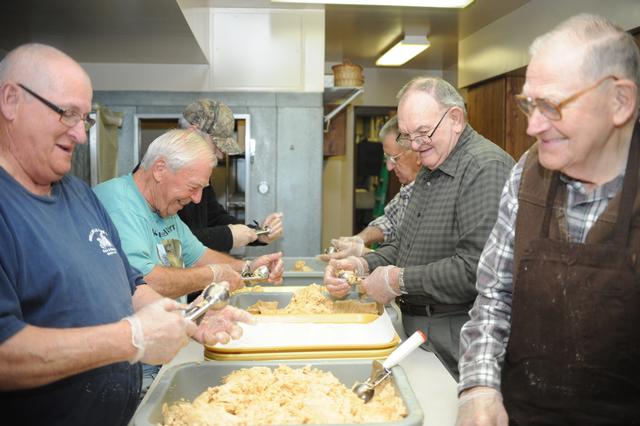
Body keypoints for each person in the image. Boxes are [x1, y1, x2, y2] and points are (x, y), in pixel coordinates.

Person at [0, 43, 252, 426]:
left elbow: (130, 285)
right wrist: (131, 339)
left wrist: (190, 320)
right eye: (67, 113)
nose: (80, 135)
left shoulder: (79, 195)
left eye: (84, 119)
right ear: (11, 99)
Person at [456, 14, 640, 425]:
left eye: (551, 106)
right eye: (528, 104)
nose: (532, 126)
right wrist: (479, 387)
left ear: (620, 102)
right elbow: (494, 298)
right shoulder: (527, 174)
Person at [324, 76, 515, 380]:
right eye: (407, 135)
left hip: (456, 333)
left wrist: (397, 280)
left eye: (423, 133)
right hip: (421, 327)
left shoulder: (484, 168)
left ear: (455, 119)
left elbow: (475, 271)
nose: (414, 145)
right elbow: (405, 246)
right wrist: (361, 264)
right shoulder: (431, 168)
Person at [176, 99, 283, 253]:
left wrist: (258, 233)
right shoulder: (164, 178)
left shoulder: (199, 174)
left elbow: (215, 218)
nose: (220, 155)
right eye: (216, 145)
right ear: (192, 134)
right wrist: (228, 235)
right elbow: (173, 241)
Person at [319, 115, 420, 260]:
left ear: (418, 153)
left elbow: (413, 260)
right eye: (387, 158)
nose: (389, 167)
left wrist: (365, 254)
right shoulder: (408, 188)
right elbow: (389, 221)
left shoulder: (435, 192)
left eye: (395, 158)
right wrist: (359, 239)